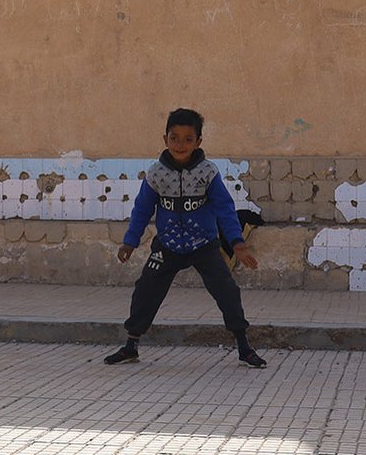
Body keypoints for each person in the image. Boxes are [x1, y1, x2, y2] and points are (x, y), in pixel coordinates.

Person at [104, 107, 268, 369]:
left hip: (204, 245)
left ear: (198, 142)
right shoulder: (156, 174)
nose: (180, 144)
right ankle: (131, 345)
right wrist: (130, 241)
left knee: (227, 291)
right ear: (165, 139)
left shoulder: (208, 173)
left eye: (188, 139)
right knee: (146, 291)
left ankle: (244, 346)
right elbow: (142, 209)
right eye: (174, 138)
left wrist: (237, 243)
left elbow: (225, 209)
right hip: (167, 246)